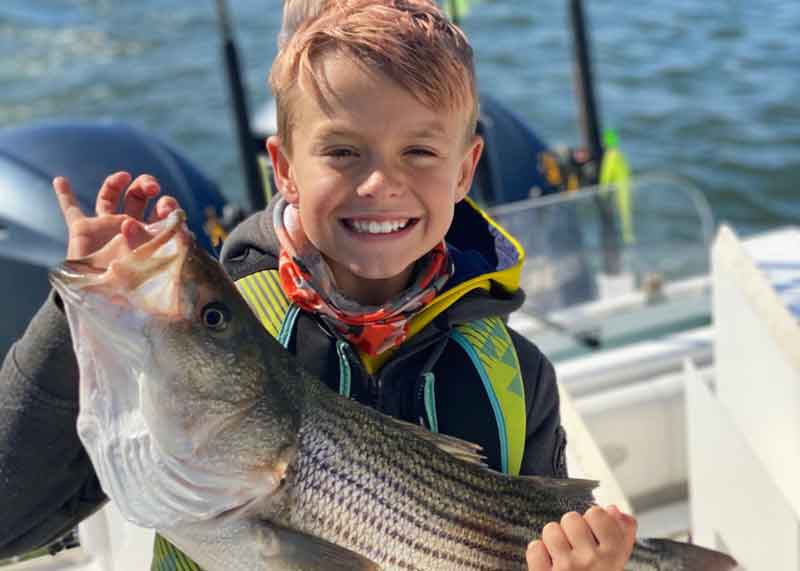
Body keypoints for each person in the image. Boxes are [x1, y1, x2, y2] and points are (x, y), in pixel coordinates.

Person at [0, 1, 636, 570]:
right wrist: (83, 307)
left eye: (419, 151)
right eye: (342, 152)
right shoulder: (220, 317)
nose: (380, 184)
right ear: (284, 168)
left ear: (466, 169)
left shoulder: (519, 377)